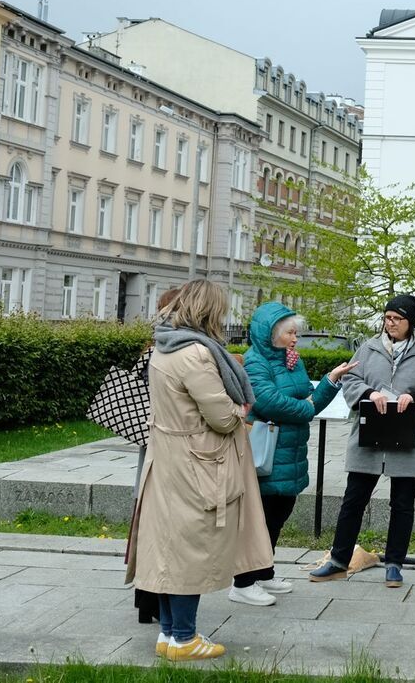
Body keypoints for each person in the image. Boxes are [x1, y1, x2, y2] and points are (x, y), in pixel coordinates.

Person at [126, 279, 273, 662]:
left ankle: (170, 634)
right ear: (208, 311)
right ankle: (185, 638)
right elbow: (222, 417)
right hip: (197, 461)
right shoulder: (195, 354)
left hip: (169, 458)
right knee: (190, 548)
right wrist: (240, 411)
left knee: (168, 547)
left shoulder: (164, 346)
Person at [310, 294, 415, 588]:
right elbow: (350, 379)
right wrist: (368, 392)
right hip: (369, 433)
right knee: (353, 500)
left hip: (407, 436)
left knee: (402, 503)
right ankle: (338, 561)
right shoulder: (368, 348)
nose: (390, 324)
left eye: (397, 319)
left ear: (411, 322)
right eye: (387, 318)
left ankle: (395, 564)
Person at [229, 302, 358, 606]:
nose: (295, 337)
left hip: (289, 449)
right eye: (290, 332)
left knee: (279, 511)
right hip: (266, 450)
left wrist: (330, 381)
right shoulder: (255, 361)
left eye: (296, 332)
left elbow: (307, 399)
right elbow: (269, 402)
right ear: (271, 334)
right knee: (258, 518)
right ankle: (242, 583)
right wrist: (307, 408)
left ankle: (263, 571)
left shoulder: (291, 360)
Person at [131, 286, 181, 626]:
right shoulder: (171, 349)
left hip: (153, 441)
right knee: (158, 523)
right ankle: (152, 600)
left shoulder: (154, 347)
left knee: (148, 521)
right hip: (163, 443)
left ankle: (146, 602)